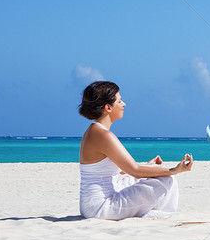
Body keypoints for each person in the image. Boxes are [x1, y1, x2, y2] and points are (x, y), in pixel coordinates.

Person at [78, 81, 193, 219]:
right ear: (108, 107)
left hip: (93, 204)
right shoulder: (103, 135)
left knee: (154, 177)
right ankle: (157, 215)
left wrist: (148, 167)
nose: (124, 104)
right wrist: (175, 170)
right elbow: (135, 171)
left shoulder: (94, 131)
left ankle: (154, 212)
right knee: (167, 180)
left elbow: (120, 169)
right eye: (119, 101)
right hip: (101, 207)